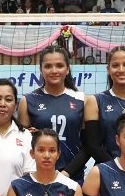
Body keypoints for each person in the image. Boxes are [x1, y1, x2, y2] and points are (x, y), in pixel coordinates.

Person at [18, 46, 85, 181]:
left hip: (73, 176)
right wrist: (30, 135)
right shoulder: (28, 100)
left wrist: (66, 173)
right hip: (39, 177)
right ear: (41, 69)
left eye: (59, 66)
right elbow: (22, 144)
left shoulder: (82, 99)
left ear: (67, 69)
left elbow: (88, 145)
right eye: (48, 66)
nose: (54, 71)